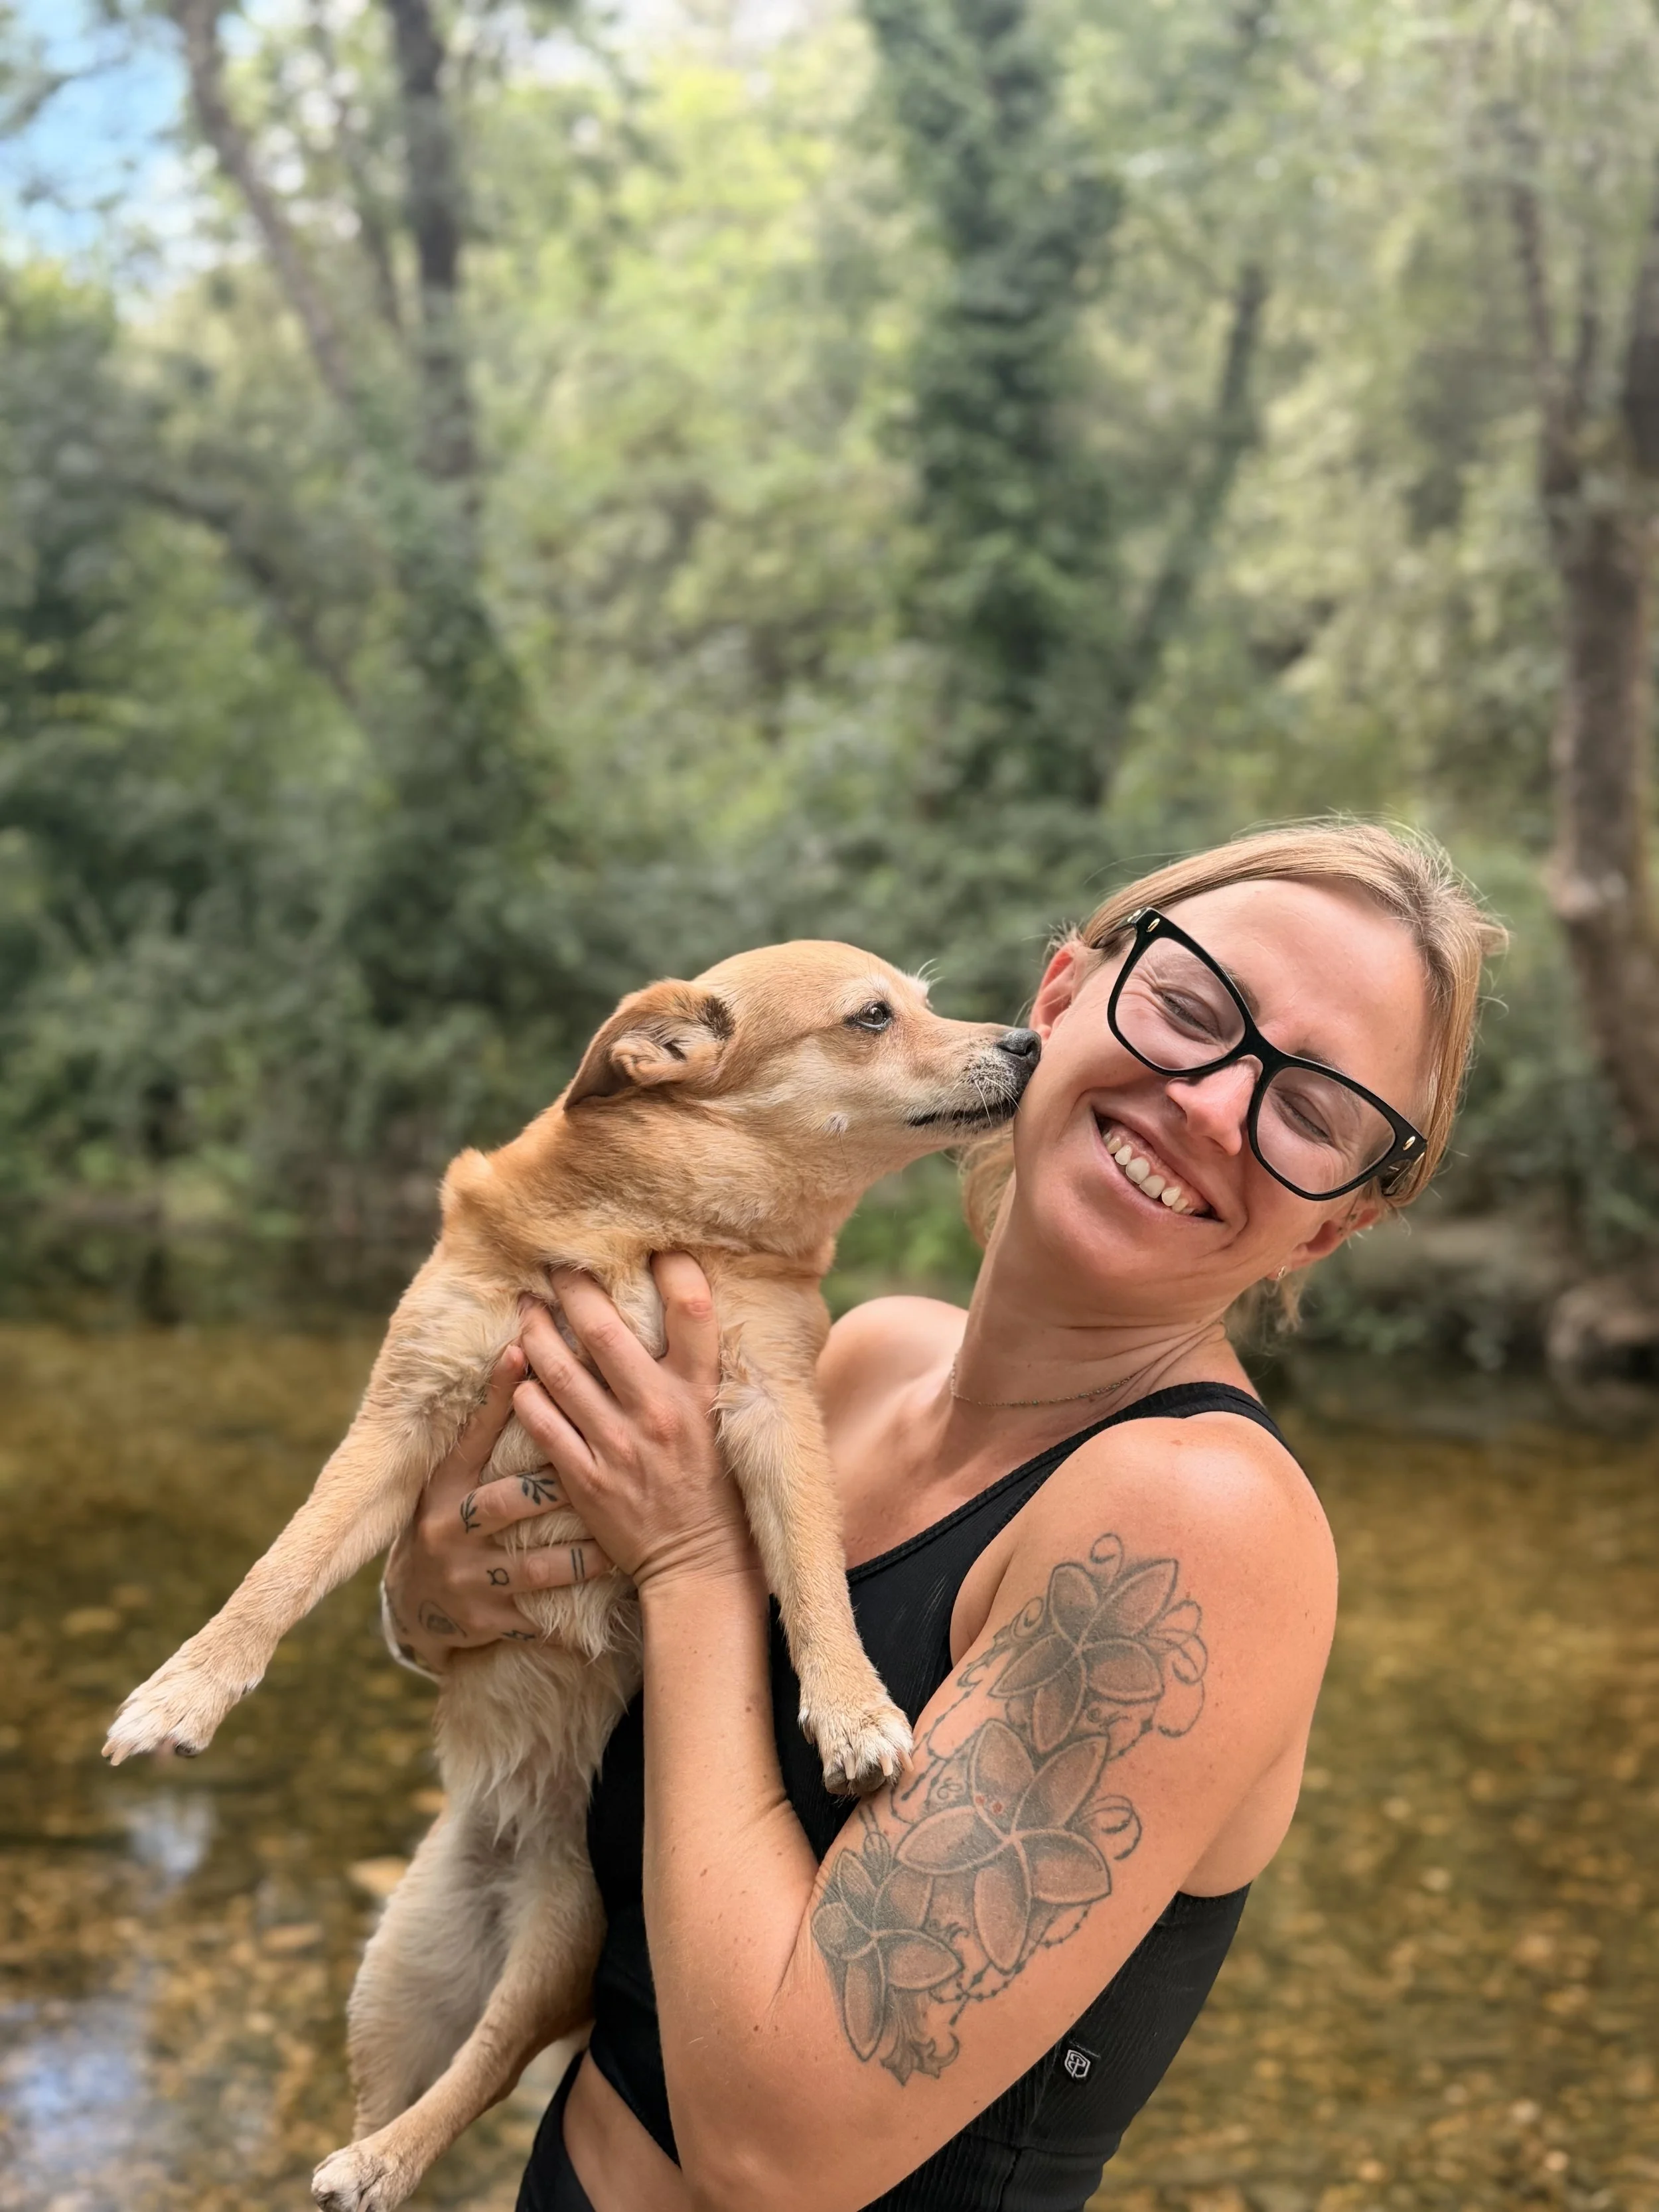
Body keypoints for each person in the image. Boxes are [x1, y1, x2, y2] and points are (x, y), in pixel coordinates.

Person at [382, 821, 1504, 2212]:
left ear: (1330, 1223)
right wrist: (431, 1603)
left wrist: (686, 1562)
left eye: (1309, 1108)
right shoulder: (863, 1360)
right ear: (1056, 998)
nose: (1211, 1104)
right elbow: (559, 1707)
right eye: (1190, 1007)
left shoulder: (1189, 1527)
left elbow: (773, 2154)